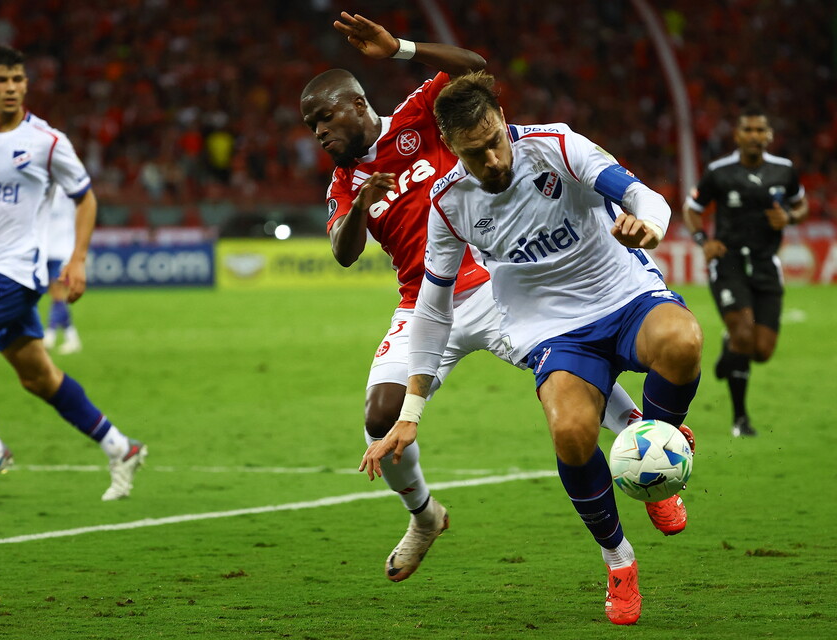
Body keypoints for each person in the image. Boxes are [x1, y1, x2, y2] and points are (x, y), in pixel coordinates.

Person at [303, 14, 686, 584]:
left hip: (496, 286)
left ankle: (653, 466)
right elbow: (343, 250)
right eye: (310, 126)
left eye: (324, 118)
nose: (318, 132)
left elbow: (473, 68)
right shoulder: (342, 184)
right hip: (424, 304)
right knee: (380, 417)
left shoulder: (417, 117)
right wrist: (361, 204)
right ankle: (424, 516)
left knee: (574, 372)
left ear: (357, 104)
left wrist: (400, 48)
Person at [359, 71, 703, 625]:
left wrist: (652, 226)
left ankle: (657, 448)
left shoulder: (556, 146)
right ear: (450, 146)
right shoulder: (449, 203)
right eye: (474, 153)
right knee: (570, 433)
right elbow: (433, 309)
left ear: (503, 119)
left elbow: (642, 194)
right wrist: (411, 413)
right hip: (553, 330)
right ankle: (619, 561)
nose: (492, 160)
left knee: (683, 339)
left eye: (494, 141)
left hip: (624, 295)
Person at [0, 45, 147, 500]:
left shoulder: (47, 141)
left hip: (17, 273)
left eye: (18, 80)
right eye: (2, 80)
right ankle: (121, 447)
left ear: (26, 85)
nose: (11, 88)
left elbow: (86, 198)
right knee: (39, 378)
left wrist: (77, 259)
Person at [682, 106, 808, 437]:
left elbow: (801, 205)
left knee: (762, 350)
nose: (754, 136)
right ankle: (740, 420)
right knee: (743, 334)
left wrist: (791, 217)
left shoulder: (784, 170)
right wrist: (703, 240)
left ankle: (730, 351)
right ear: (737, 136)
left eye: (760, 130)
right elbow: (691, 209)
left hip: (766, 263)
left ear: (769, 135)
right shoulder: (719, 172)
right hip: (729, 261)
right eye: (748, 130)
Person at [43, 185, 82, 354]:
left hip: (62, 250)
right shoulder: (46, 186)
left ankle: (50, 334)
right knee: (55, 295)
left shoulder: (67, 189)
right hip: (47, 250)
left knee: (58, 293)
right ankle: (71, 337)